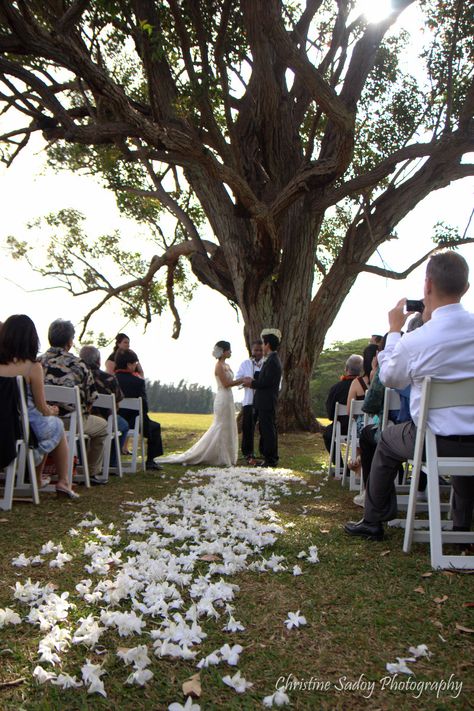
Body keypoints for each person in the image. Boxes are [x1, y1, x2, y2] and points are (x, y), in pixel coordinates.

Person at [345, 251, 474, 541]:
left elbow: (389, 377)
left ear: (427, 286)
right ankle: (462, 525)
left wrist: (393, 332)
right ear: (465, 288)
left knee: (387, 438)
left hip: (432, 440)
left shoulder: (417, 340)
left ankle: (373, 518)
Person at [0, 314, 78, 498]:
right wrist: (53, 411)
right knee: (55, 424)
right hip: (21, 427)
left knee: (46, 426)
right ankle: (63, 482)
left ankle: (37, 479)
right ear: (31, 338)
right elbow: (41, 407)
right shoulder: (32, 367)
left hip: (4, 424)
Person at [41, 319, 108, 485]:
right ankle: (91, 472)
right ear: (70, 342)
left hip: (41, 420)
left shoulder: (37, 362)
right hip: (70, 422)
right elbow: (91, 398)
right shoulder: (79, 365)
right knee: (103, 426)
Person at [158, 341, 242, 467]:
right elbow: (225, 383)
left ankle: (227, 455)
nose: (230, 352)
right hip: (222, 397)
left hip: (229, 397)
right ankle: (219, 456)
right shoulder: (218, 366)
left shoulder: (227, 365)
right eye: (229, 350)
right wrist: (241, 380)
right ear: (224, 351)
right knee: (220, 425)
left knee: (228, 425)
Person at [79, 345, 130, 467]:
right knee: (124, 425)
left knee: (80, 428)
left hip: (81, 416)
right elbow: (116, 404)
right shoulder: (109, 378)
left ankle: (82, 461)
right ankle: (111, 462)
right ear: (98, 361)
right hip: (106, 418)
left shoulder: (78, 376)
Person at [115, 349, 164, 470]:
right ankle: (150, 460)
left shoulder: (111, 379)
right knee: (155, 427)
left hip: (115, 420)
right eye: (134, 363)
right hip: (133, 421)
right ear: (129, 365)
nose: (136, 365)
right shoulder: (138, 382)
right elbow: (144, 407)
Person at [243, 329, 282, 467]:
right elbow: (264, 377)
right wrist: (255, 377)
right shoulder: (270, 360)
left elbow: (266, 382)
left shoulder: (273, 361)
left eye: (263, 344)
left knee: (268, 430)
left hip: (267, 401)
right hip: (263, 401)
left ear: (268, 345)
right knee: (265, 430)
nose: (262, 347)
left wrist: (251, 383)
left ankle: (271, 459)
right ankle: (267, 455)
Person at [322, 354, 363, 468]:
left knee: (328, 433)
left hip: (342, 427)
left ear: (346, 369)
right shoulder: (365, 387)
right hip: (362, 427)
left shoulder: (336, 388)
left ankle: (339, 465)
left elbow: (331, 415)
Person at [236, 339, 264, 464]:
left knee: (264, 428)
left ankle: (264, 452)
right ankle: (248, 453)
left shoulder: (268, 364)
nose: (258, 352)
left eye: (260, 350)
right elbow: (237, 380)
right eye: (256, 350)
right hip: (249, 401)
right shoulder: (246, 364)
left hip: (264, 401)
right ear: (251, 350)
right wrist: (245, 381)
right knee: (248, 427)